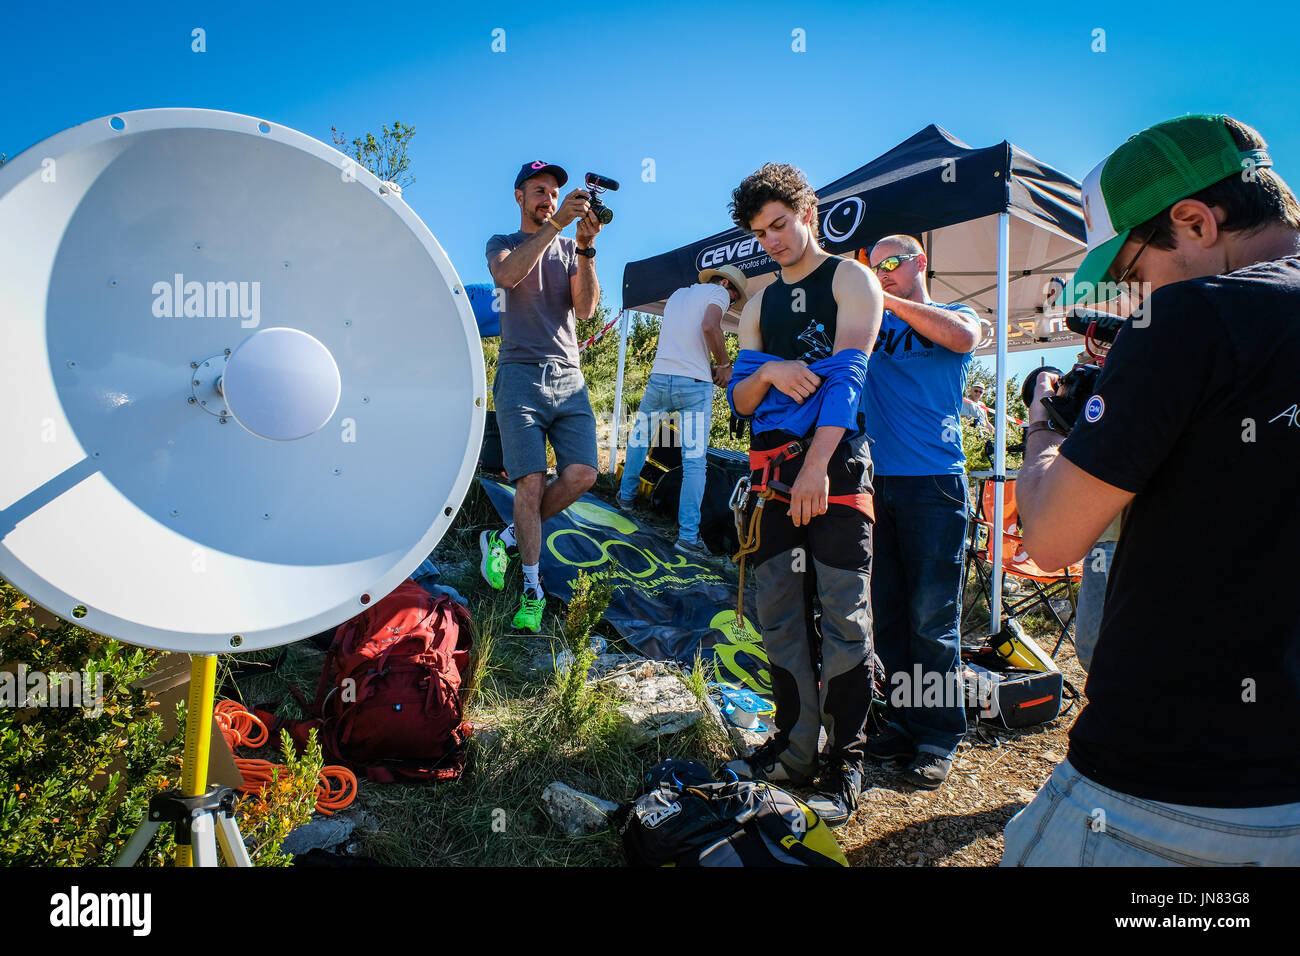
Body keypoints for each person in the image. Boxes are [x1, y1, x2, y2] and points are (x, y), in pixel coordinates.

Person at [1002, 114, 1300, 865]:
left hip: (1169, 786)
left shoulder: (1193, 316)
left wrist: (1043, 430)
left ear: (1196, 221)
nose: (1130, 299)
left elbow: (1050, 537)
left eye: (1131, 274)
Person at [721, 162, 883, 827]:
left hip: (835, 467)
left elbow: (847, 378)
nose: (774, 242)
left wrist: (817, 465)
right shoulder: (757, 305)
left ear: (806, 212)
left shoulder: (852, 279)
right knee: (781, 616)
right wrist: (776, 368)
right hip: (766, 476)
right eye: (761, 234)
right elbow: (737, 396)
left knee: (846, 615)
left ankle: (845, 761)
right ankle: (792, 751)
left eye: (781, 225)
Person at [858, 235, 982, 790]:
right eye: (872, 267)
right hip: (874, 483)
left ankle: (938, 734)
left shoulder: (954, 314)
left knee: (933, 617)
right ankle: (904, 723)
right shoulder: (869, 321)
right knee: (886, 612)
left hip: (934, 484)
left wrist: (884, 300)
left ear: (920, 262)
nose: (880, 272)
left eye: (890, 263)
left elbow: (963, 337)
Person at [480, 161, 605, 633]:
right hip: (519, 375)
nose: (548, 200)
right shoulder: (502, 243)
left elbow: (587, 310)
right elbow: (507, 277)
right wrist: (554, 226)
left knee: (582, 473)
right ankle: (531, 588)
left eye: (554, 193)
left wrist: (588, 249)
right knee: (529, 483)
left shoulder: (574, 247)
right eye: (538, 191)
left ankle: (507, 535)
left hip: (569, 376)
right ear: (519, 196)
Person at [615, 265, 748, 555]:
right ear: (724, 282)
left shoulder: (677, 295)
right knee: (694, 462)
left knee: (640, 440)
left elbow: (686, 342)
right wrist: (724, 365)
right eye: (734, 294)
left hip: (661, 376)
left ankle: (625, 500)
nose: (732, 300)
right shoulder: (718, 292)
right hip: (694, 385)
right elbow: (710, 326)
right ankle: (688, 537)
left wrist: (707, 365)